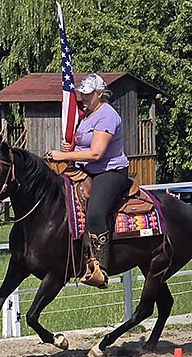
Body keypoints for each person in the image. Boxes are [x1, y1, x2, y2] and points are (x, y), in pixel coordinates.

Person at [45, 74, 130, 288]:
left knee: (95, 212)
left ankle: (100, 269)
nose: (83, 96)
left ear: (99, 94)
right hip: (86, 170)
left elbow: (96, 154)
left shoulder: (107, 116)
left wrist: (63, 156)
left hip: (109, 172)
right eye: (82, 92)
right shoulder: (86, 115)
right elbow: (84, 146)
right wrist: (70, 149)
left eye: (88, 93)